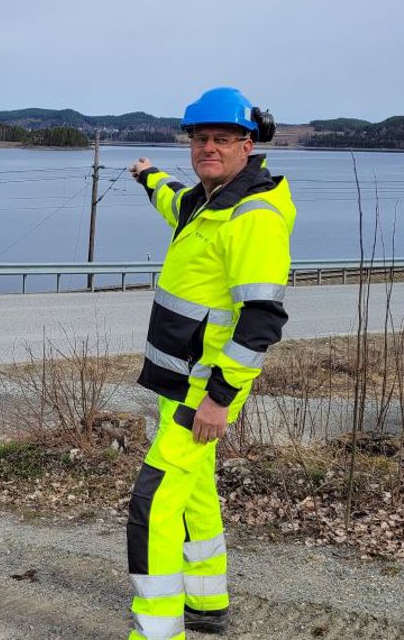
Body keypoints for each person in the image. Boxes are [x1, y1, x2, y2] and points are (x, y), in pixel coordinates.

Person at [125, 87, 296, 639]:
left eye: (222, 139)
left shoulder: (253, 215)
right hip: (180, 380)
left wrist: (219, 400)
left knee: (153, 502)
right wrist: (146, 174)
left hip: (205, 388)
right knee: (197, 490)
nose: (208, 148)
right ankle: (206, 601)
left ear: (248, 144)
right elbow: (170, 197)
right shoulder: (206, 200)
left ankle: (156, 631)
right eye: (200, 139)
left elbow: (262, 319)